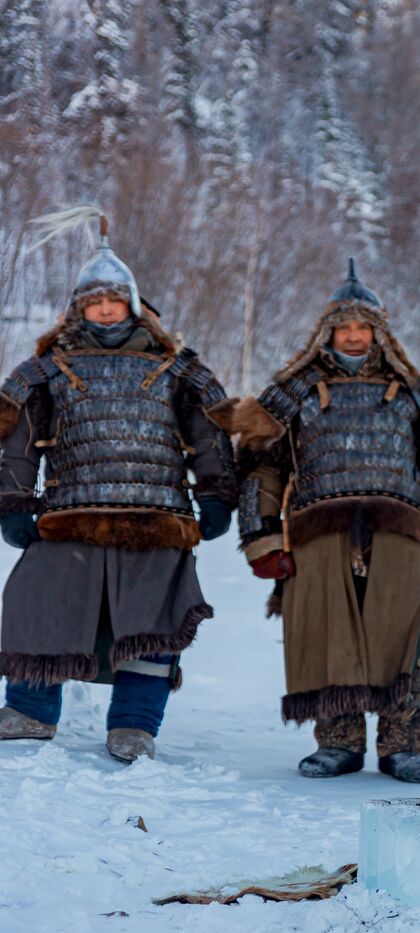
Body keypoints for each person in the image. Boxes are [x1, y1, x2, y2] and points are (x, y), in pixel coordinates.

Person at [219, 261, 420, 783]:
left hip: (400, 534)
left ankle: (404, 744)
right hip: (320, 535)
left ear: (379, 332)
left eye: (364, 328)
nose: (355, 336)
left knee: (406, 638)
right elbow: (262, 470)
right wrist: (263, 538)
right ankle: (338, 742)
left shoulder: (414, 393)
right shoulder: (292, 392)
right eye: (346, 328)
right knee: (328, 633)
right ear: (328, 332)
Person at [0, 210, 237, 762]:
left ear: (132, 302)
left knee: (150, 622)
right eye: (93, 302)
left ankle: (134, 726)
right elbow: (15, 440)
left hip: (156, 519)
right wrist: (13, 503)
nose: (105, 310)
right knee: (39, 604)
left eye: (113, 300)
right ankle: (30, 711)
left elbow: (211, 434)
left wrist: (217, 494)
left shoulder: (178, 367)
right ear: (78, 308)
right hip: (68, 514)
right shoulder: (46, 369)